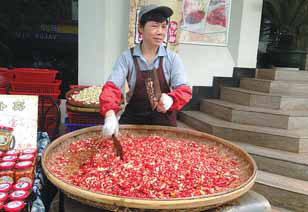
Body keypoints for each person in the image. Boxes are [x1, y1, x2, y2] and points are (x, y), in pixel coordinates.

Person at [100, 4, 192, 138]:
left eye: (163, 26)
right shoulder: (127, 58)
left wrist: (172, 99)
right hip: (133, 122)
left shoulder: (172, 59)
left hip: (164, 124)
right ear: (141, 28)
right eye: (154, 26)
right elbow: (111, 88)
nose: (160, 32)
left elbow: (184, 90)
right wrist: (109, 115)